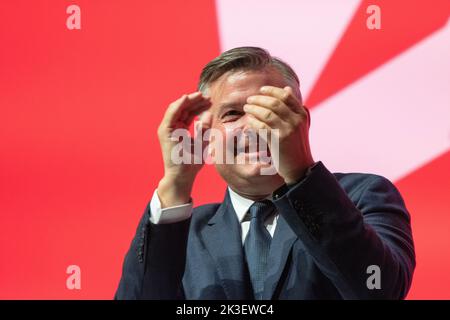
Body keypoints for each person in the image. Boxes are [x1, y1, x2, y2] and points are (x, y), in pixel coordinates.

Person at [115, 47, 415, 300]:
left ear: (302, 121)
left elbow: (380, 292)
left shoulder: (363, 196)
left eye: (268, 109)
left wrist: (300, 172)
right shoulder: (184, 231)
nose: (252, 126)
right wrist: (176, 184)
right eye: (232, 113)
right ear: (206, 135)